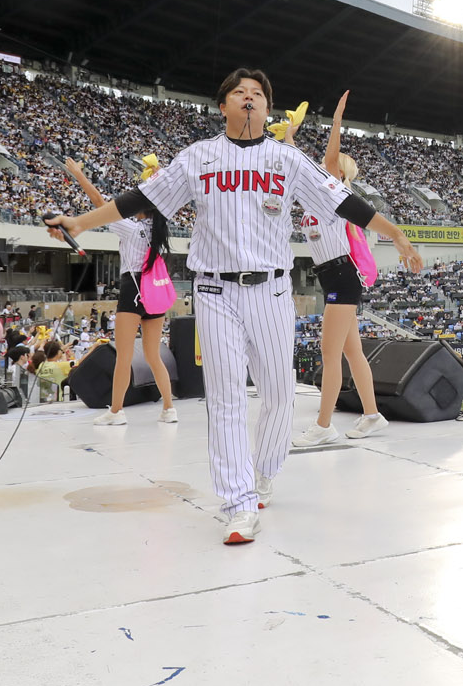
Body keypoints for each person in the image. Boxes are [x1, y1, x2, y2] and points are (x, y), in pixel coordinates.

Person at [47, 68, 423, 546]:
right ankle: (239, 503)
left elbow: (344, 202)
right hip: (214, 291)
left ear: (268, 109)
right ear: (223, 105)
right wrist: (80, 222)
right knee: (224, 398)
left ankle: (264, 472)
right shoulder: (196, 157)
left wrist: (395, 234)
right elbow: (139, 198)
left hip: (270, 290)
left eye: (258, 94)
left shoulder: (287, 159)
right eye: (240, 93)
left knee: (281, 394)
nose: (249, 99)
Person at [292, 92, 390, 447]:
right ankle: (373, 415)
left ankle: (323, 425)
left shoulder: (334, 194)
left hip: (341, 276)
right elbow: (295, 164)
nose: (322, 165)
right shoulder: (316, 195)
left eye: (327, 165)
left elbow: (329, 159)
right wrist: (289, 134)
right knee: (351, 352)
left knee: (329, 353)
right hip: (331, 276)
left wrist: (336, 121)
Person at [64, 156, 176, 426]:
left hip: (133, 289)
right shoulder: (160, 232)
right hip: (155, 293)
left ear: (142, 207)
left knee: (124, 356)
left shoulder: (130, 228)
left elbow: (100, 204)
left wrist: (80, 175)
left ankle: (116, 412)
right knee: (153, 355)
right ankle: (169, 409)